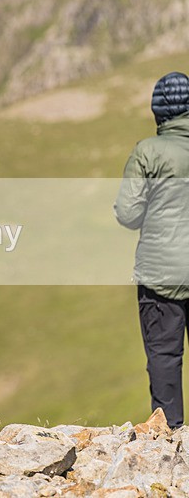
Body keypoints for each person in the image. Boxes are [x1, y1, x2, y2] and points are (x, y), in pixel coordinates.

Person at [115, 71, 189, 429]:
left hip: (161, 276)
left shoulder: (148, 152)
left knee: (164, 358)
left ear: (158, 111)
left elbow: (128, 215)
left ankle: (172, 440)